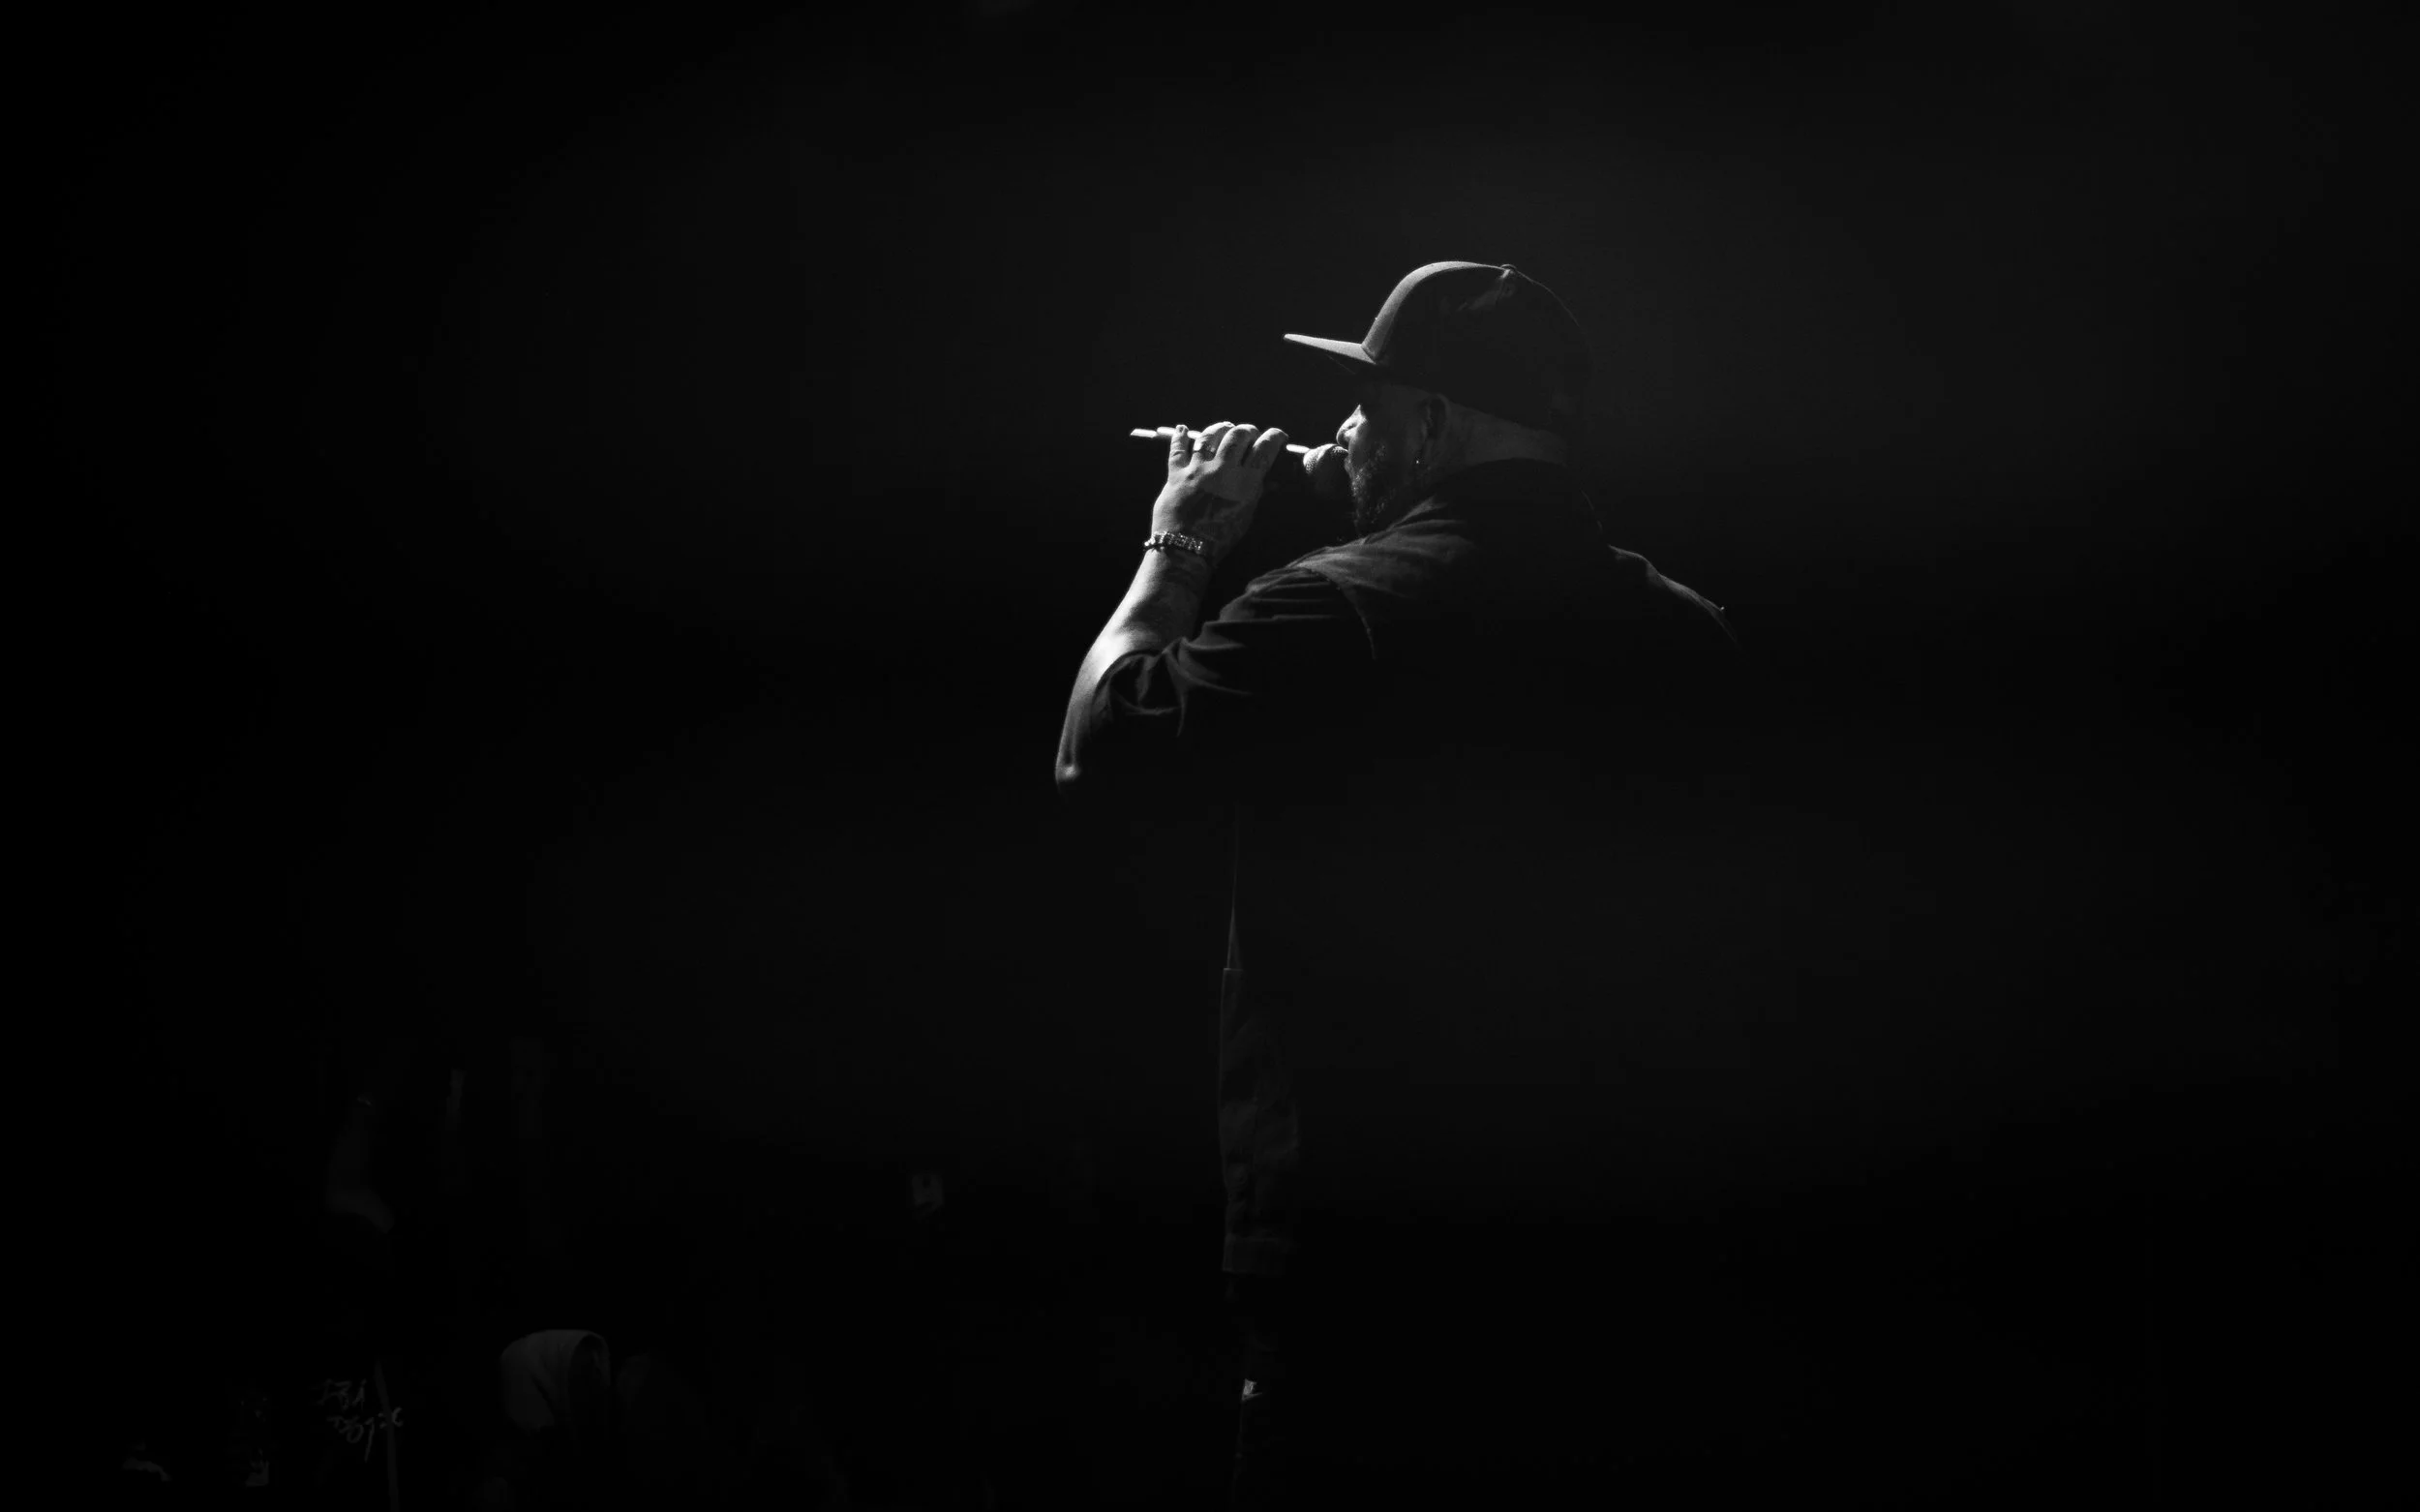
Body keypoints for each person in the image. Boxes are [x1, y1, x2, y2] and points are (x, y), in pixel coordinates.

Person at [1055, 262, 1749, 1504]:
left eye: (1365, 409)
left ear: (1429, 425)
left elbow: (1095, 748)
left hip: (1366, 1268)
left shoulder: (1330, 609)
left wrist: (1182, 538)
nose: (1340, 434)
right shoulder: (1692, 632)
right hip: (1623, 1258)